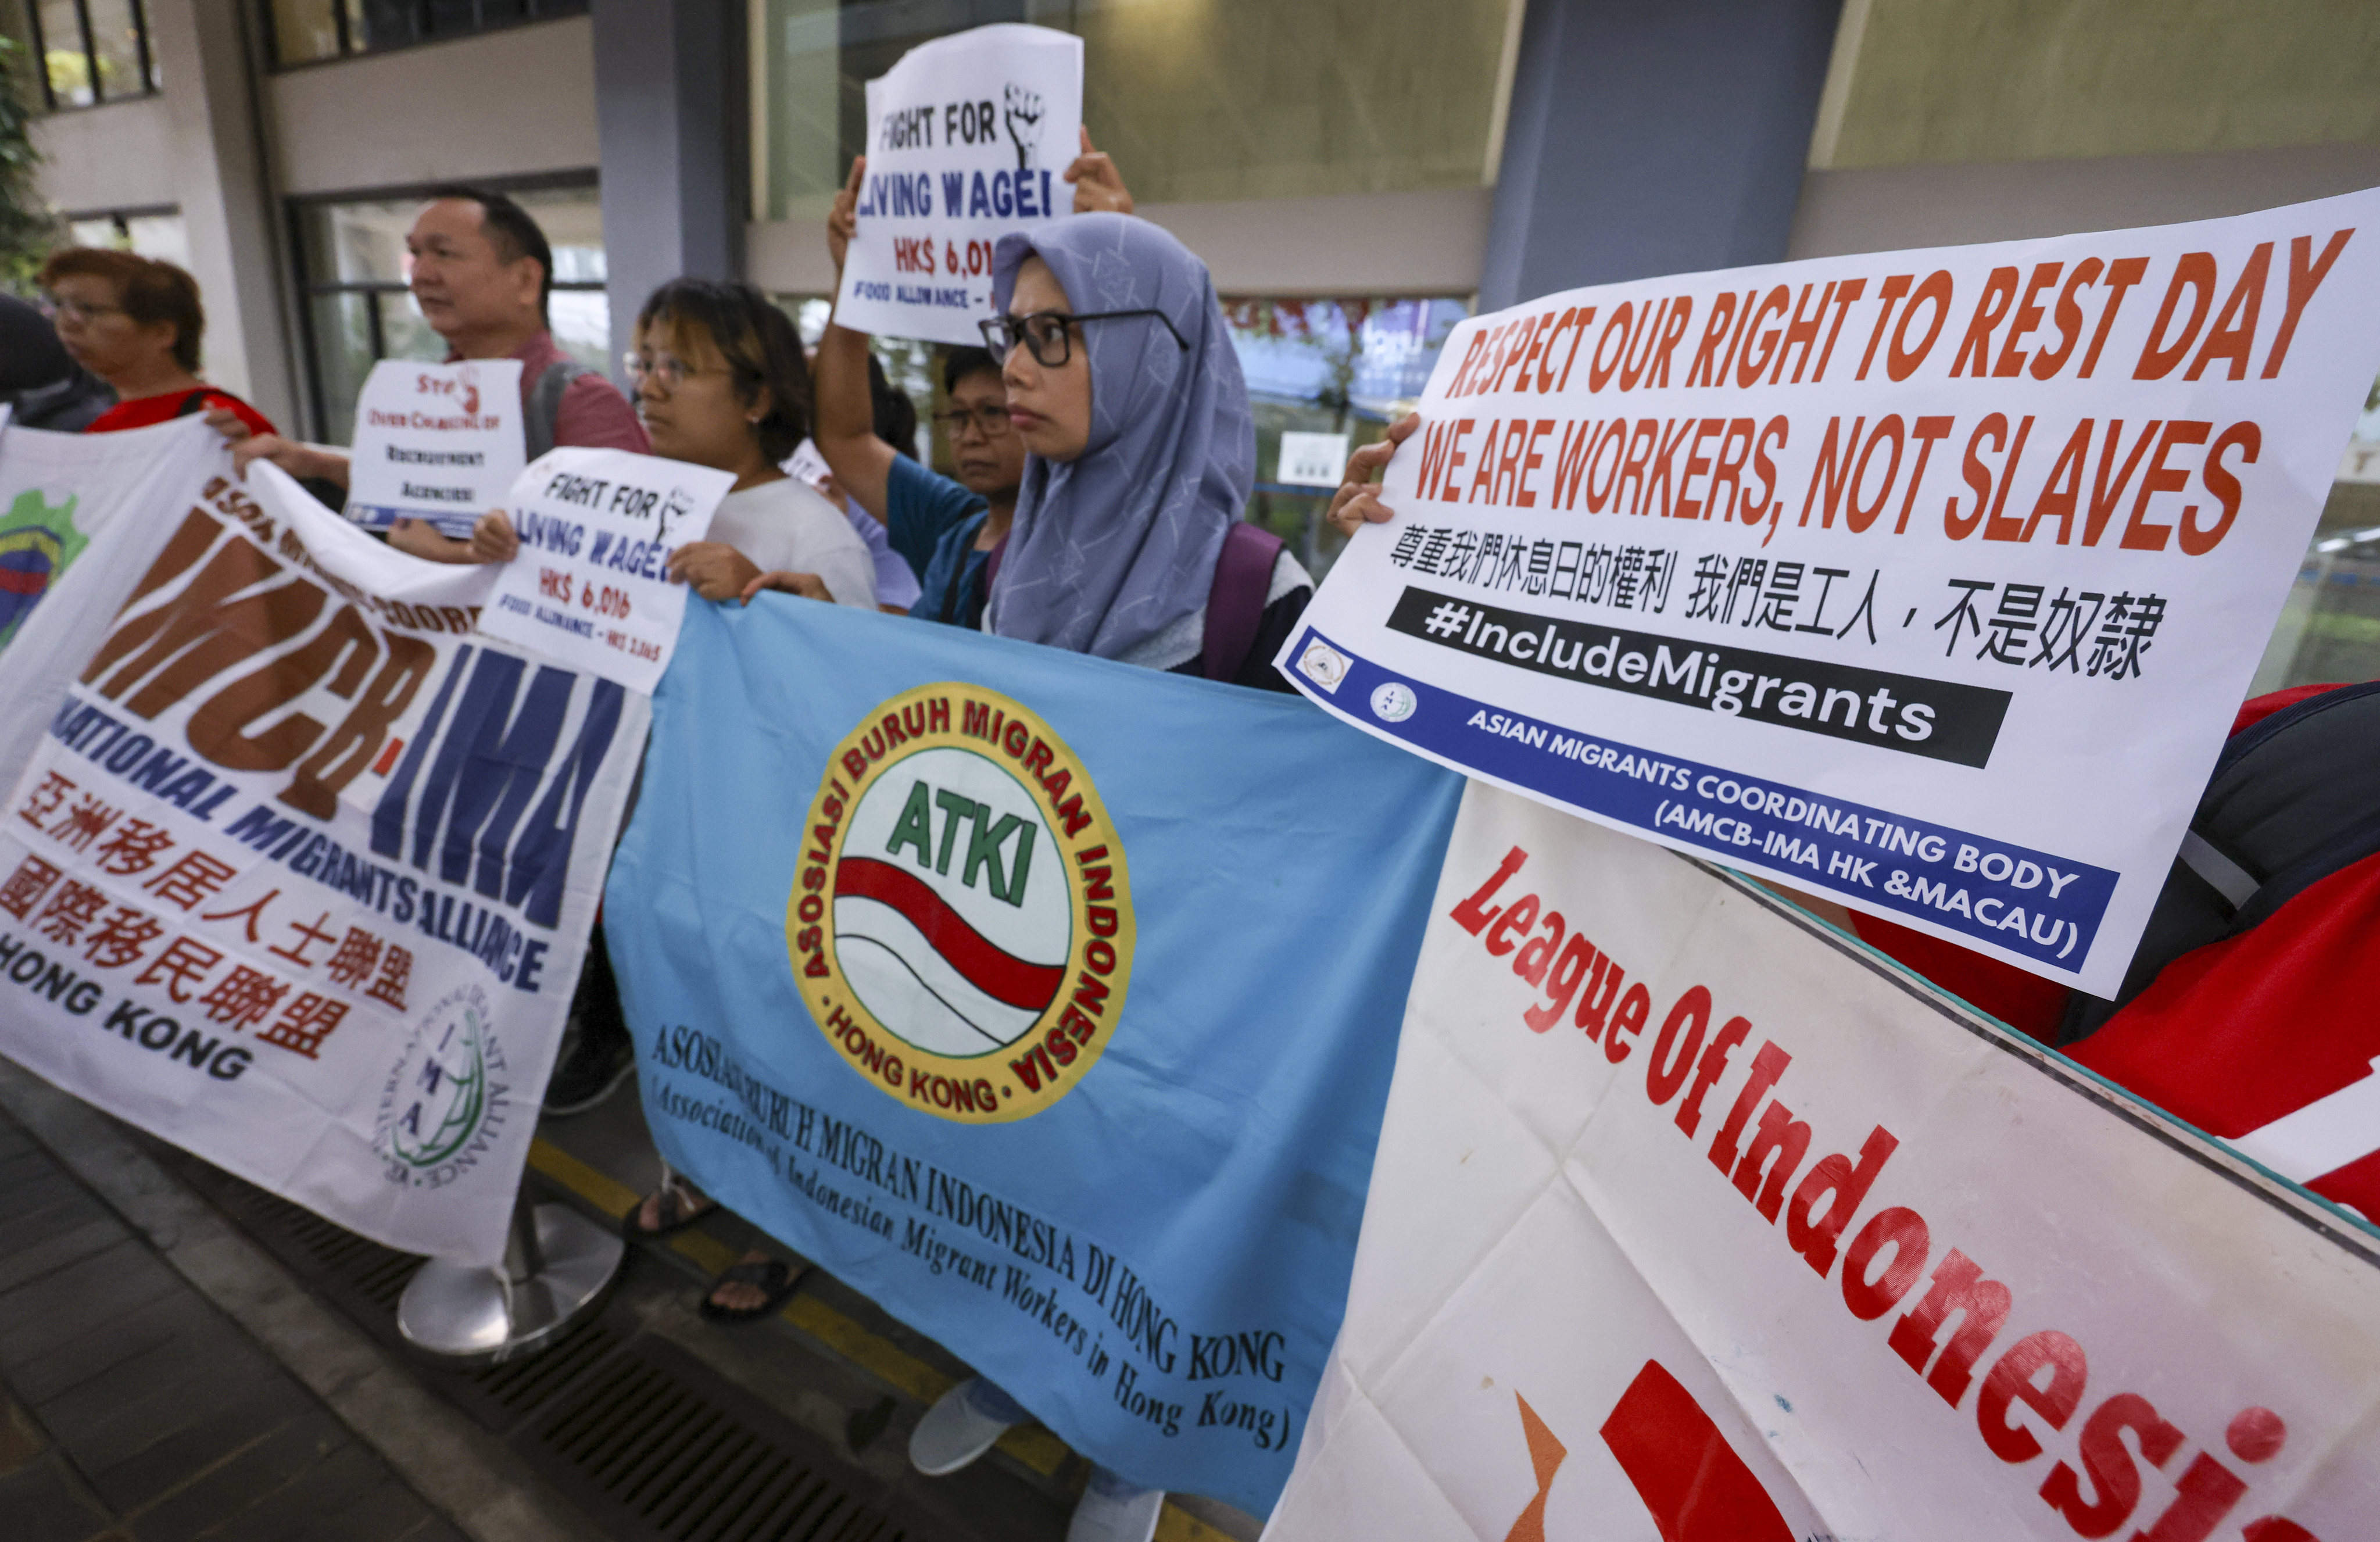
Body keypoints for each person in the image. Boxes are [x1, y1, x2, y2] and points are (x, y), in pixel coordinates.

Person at [785, 204, 1302, 1542]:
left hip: (1178, 1018)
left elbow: (1319, 833)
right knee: (1030, 1200)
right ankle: (1019, 1368)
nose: (1011, 366)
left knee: (1143, 1247)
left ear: (1149, 354)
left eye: (1052, 334)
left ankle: (1127, 1453)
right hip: (1020, 983)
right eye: (1011, 333)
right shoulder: (1021, 555)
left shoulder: (1257, 587)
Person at [790, 130, 1136, 632]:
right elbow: (844, 437)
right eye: (958, 416)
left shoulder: (1102, 542)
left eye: (993, 413)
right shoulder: (952, 525)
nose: (970, 435)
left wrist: (1115, 249)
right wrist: (853, 280)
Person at [221, 186, 647, 551]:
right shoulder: (429, 392)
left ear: (525, 280)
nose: (420, 275)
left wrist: (452, 559)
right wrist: (308, 462)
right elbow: (413, 493)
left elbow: (615, 556)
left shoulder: (579, 401)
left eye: (444, 254)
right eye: (414, 254)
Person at [37, 249, 275, 435]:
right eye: (60, 306)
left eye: (87, 309)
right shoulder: (103, 426)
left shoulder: (220, 419)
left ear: (161, 333)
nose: (67, 323)